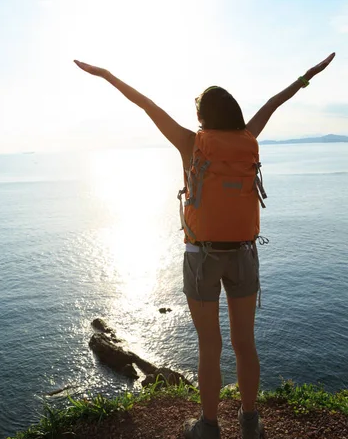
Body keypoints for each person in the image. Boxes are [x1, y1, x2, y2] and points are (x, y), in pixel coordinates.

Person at [74, 52, 335, 439]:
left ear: (202, 118)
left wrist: (106, 74)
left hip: (201, 256)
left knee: (209, 344)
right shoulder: (249, 138)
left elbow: (145, 104)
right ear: (234, 114)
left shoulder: (191, 143)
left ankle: (208, 427)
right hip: (244, 253)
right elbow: (277, 101)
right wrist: (308, 75)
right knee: (245, 343)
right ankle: (250, 424)